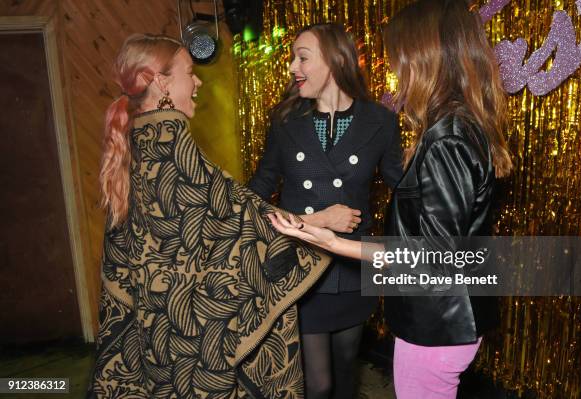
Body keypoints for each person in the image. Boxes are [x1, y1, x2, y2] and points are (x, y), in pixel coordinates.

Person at [268, 1, 513, 398]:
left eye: (399, 56)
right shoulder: (458, 125)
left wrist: (335, 242)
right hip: (448, 321)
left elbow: (433, 254)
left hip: (436, 326)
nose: (396, 70)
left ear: (425, 57)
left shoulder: (447, 137)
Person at [88, 33, 332, 399]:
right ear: (162, 81)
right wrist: (320, 222)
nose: (198, 81)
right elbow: (246, 219)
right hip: (194, 344)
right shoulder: (173, 146)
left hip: (157, 334)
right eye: (190, 72)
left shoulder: (133, 145)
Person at [248, 23, 404, 399]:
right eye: (292, 58)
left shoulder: (380, 121)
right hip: (301, 268)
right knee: (318, 384)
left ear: (334, 60)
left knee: (347, 368)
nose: (291, 67)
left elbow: (405, 189)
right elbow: (255, 199)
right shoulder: (284, 120)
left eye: (302, 57)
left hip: (353, 267)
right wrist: (315, 221)